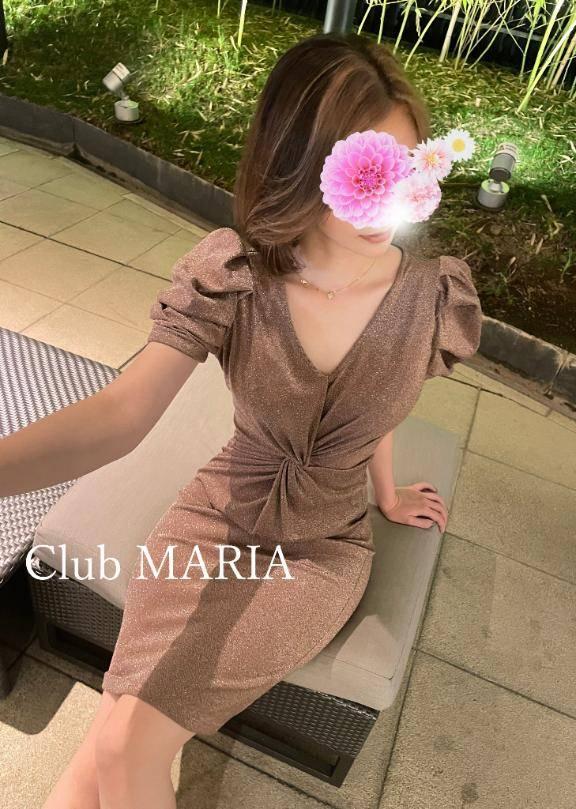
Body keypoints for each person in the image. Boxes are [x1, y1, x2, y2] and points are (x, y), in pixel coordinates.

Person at [0, 32, 483, 809]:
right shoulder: (234, 275)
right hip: (215, 518)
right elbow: (122, 413)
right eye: (360, 173)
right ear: (298, 165)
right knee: (116, 735)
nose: (383, 202)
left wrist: (387, 495)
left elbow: (381, 404)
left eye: (401, 172)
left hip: (319, 552)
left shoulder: (432, 298)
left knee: (120, 740)